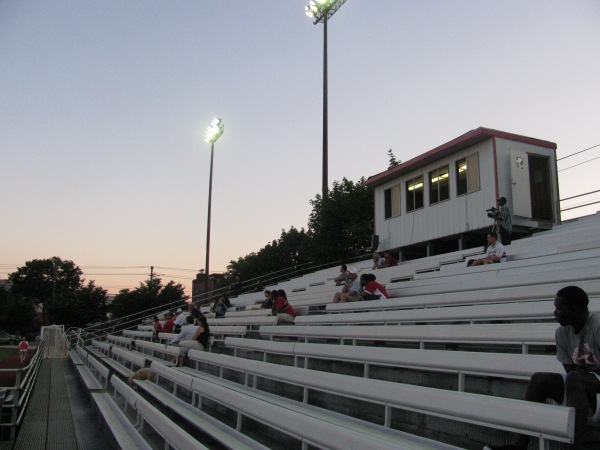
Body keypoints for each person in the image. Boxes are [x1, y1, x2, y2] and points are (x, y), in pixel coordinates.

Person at [483, 286, 600, 450]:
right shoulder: (562, 333)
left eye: (559, 309)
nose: (554, 314)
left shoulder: (597, 327)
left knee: (576, 379)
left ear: (574, 309)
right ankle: (520, 446)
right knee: (540, 379)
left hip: (597, 387)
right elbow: (571, 372)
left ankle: (576, 446)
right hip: (581, 385)